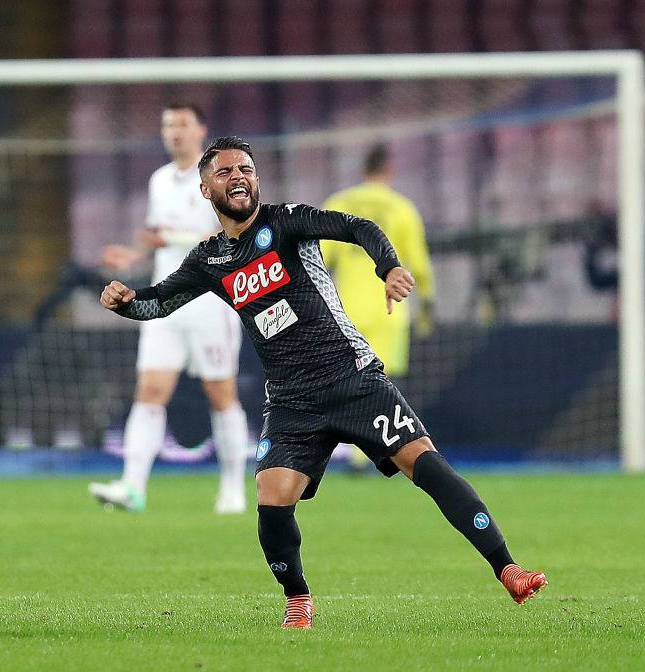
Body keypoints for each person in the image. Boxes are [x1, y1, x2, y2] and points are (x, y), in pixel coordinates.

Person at [99, 136, 546, 629]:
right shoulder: (209, 260)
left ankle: (508, 568)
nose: (239, 177)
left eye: (245, 168)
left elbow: (358, 227)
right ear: (206, 189)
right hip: (292, 403)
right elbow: (157, 303)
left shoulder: (285, 222)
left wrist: (389, 265)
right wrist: (125, 301)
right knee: (272, 505)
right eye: (225, 172)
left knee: (430, 468)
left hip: (352, 379)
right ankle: (298, 599)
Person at [89, 104, 248, 514]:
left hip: (211, 302)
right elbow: (157, 237)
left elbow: (230, 233)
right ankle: (132, 487)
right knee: (150, 392)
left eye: (181, 124)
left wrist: (172, 239)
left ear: (201, 130)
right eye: (167, 125)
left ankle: (233, 489)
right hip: (164, 304)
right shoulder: (159, 180)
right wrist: (131, 256)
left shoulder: (219, 176)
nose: (173, 132)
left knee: (221, 394)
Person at [321, 145, 435, 471]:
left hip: (347, 310)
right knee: (385, 384)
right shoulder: (401, 208)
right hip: (390, 309)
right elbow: (418, 263)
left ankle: (354, 454)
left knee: (351, 382)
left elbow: (318, 258)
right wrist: (428, 297)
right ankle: (375, 453)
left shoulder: (339, 205)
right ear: (389, 170)